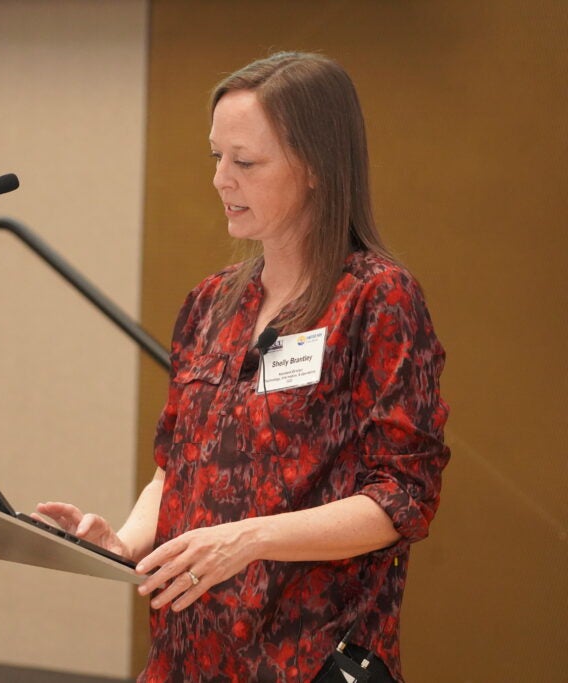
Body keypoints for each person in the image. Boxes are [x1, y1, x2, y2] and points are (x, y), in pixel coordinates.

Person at [36, 52, 450, 683]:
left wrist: (249, 538)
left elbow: (400, 499)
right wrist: (125, 544)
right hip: (186, 658)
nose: (221, 179)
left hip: (306, 658)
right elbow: (178, 465)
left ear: (314, 167)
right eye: (216, 158)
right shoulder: (210, 302)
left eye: (246, 162)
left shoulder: (375, 299)